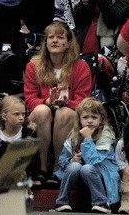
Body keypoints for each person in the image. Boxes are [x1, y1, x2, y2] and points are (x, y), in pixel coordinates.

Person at [24, 22, 92, 189]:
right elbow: (29, 100)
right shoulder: (34, 65)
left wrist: (67, 102)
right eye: (51, 37)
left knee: (64, 113)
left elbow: (85, 102)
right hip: (42, 115)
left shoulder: (81, 67)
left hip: (68, 115)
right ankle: (41, 168)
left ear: (68, 43)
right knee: (41, 111)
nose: (54, 40)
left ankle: (57, 167)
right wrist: (46, 102)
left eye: (60, 37)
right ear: (45, 43)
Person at [54, 97, 119, 214]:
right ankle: (61, 202)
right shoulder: (75, 133)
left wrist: (88, 138)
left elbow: (93, 161)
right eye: (85, 117)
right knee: (74, 166)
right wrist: (71, 160)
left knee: (86, 168)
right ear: (79, 119)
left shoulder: (106, 133)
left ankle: (101, 203)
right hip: (79, 175)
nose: (90, 121)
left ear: (101, 119)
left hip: (101, 175)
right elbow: (62, 160)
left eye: (94, 117)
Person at [0, 95, 38, 174]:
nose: (21, 118)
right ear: (4, 116)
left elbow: (35, 162)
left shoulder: (28, 133)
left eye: (23, 114)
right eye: (16, 114)